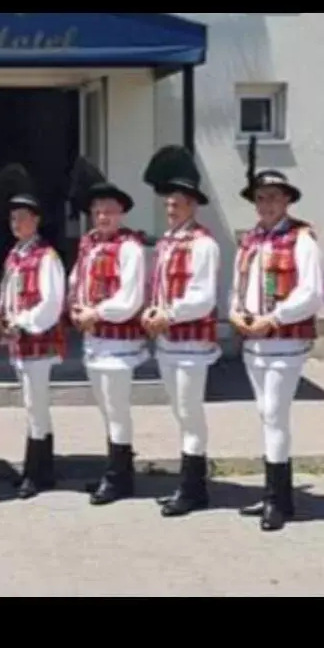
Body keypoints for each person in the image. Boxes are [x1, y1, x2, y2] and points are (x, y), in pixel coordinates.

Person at [229, 137, 324, 532]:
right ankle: (274, 494)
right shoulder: (250, 240)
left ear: (287, 201)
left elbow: (312, 292)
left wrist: (274, 317)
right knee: (266, 414)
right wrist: (236, 312)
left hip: (284, 340)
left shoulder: (301, 238)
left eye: (274, 198)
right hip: (255, 339)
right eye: (261, 198)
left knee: (275, 413)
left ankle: (279, 501)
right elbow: (237, 284)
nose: (267, 205)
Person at [139, 145, 221, 518]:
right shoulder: (169, 242)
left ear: (193, 206)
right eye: (168, 203)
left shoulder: (204, 244)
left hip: (190, 342)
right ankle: (189, 483)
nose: (171, 209)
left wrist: (168, 314)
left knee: (190, 413)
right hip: (168, 341)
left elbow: (202, 297)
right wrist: (153, 311)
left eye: (178, 203)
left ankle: (194, 488)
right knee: (179, 411)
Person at [67, 157, 147, 506]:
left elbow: (129, 298)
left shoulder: (130, 248)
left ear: (121, 213)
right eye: (98, 211)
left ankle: (118, 478)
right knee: (104, 406)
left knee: (117, 408)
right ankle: (115, 471)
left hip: (118, 342)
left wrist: (95, 313)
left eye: (110, 211)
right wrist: (75, 306)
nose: (103, 217)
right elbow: (76, 281)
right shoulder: (89, 245)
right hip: (92, 339)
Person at [0, 165, 67, 499]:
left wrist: (23, 322)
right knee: (30, 404)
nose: (15, 223)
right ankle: (37, 467)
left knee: (37, 404)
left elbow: (52, 302)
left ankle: (38, 472)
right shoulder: (14, 257)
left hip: (38, 342)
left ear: (35, 220)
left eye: (22, 217)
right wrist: (2, 315)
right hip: (19, 342)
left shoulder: (46, 257)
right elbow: (9, 293)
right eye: (12, 218)